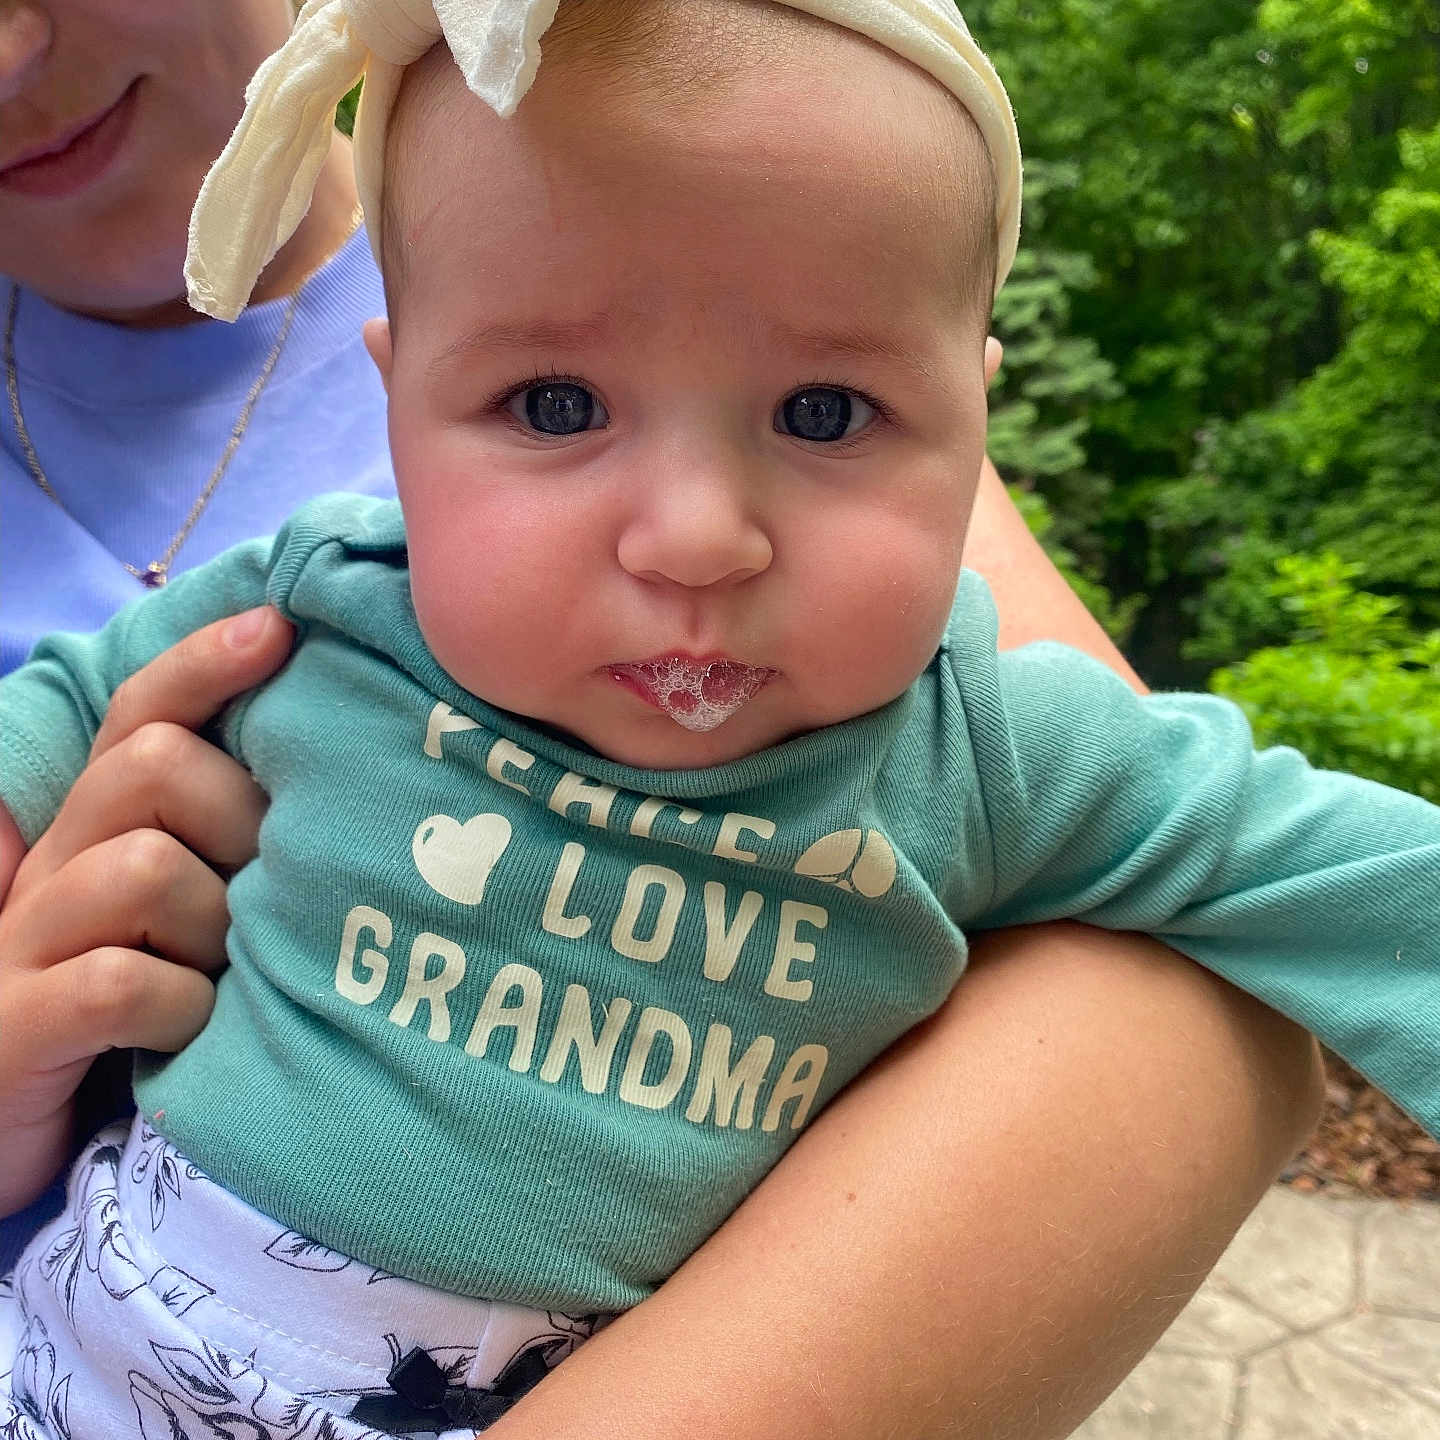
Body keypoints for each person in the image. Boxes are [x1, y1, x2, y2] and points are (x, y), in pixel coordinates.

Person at [1, 0, 1432, 1435]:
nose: (695, 538)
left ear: (970, 428)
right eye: (556, 405)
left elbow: (1335, 880)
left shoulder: (984, 750)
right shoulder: (327, 598)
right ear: (395, 417)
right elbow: (57, 714)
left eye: (825, 415)